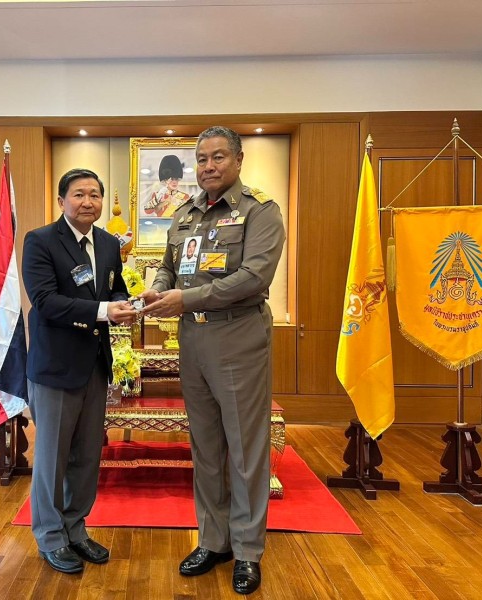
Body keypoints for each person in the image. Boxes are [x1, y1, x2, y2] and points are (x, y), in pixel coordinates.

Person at [139, 127, 285, 595]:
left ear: (238, 160)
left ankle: (247, 550)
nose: (208, 166)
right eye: (201, 159)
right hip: (192, 339)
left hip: (238, 335)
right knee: (205, 447)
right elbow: (168, 265)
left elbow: (253, 277)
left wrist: (185, 299)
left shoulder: (260, 211)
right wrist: (158, 289)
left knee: (244, 450)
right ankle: (213, 540)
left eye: (218, 157)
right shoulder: (184, 213)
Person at [22, 168, 138, 574]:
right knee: (52, 459)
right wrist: (104, 310)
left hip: (94, 365)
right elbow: (45, 301)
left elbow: (115, 286)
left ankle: (75, 528)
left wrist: (125, 304)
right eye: (78, 194)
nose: (88, 201)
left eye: (94, 195)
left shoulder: (106, 242)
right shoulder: (40, 241)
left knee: (88, 455)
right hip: (55, 367)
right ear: (61, 201)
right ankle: (50, 536)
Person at [143, 154, 191, 218]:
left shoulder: (185, 196)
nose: (174, 182)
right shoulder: (158, 195)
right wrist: (163, 202)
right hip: (160, 224)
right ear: (166, 180)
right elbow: (147, 211)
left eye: (176, 179)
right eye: (171, 179)